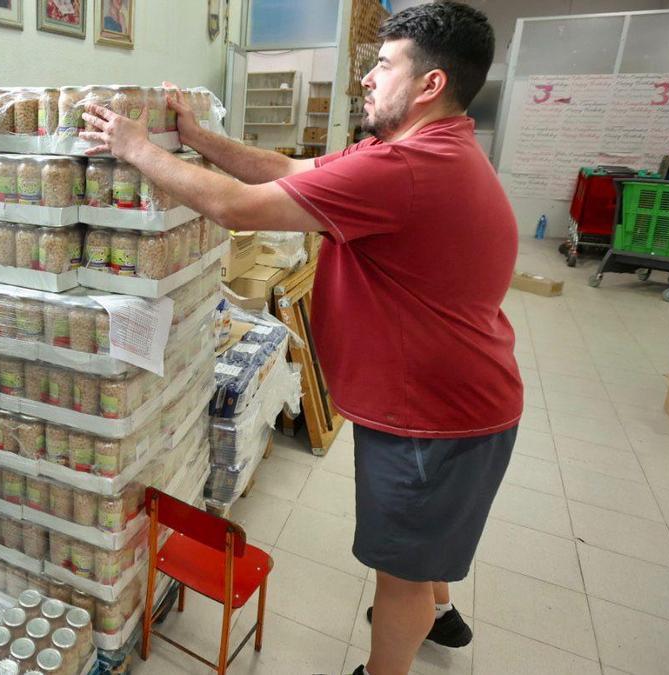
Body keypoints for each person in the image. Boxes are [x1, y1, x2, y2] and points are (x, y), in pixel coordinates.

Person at [79, 3, 520, 675]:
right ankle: (442, 607)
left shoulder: (404, 170)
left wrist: (135, 148)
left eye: (383, 66)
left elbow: (233, 207)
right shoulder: (416, 149)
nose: (367, 79)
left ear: (430, 85)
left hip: (432, 418)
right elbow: (285, 168)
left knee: (399, 568)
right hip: (452, 399)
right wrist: (200, 136)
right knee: (426, 539)